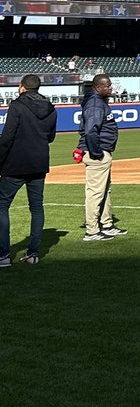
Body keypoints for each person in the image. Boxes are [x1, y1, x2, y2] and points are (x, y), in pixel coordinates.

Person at [0, 74, 57, 266]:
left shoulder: (17, 105)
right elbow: (51, 137)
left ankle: (4, 256)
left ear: (22, 87)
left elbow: (7, 137)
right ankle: (33, 254)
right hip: (39, 163)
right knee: (37, 208)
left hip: (15, 164)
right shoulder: (50, 108)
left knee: (2, 205)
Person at [80, 74, 127, 242]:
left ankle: (106, 225)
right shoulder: (94, 104)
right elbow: (91, 130)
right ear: (98, 87)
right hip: (97, 153)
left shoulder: (99, 102)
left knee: (105, 191)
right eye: (108, 86)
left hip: (102, 151)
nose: (111, 89)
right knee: (95, 193)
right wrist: (97, 152)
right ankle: (92, 231)